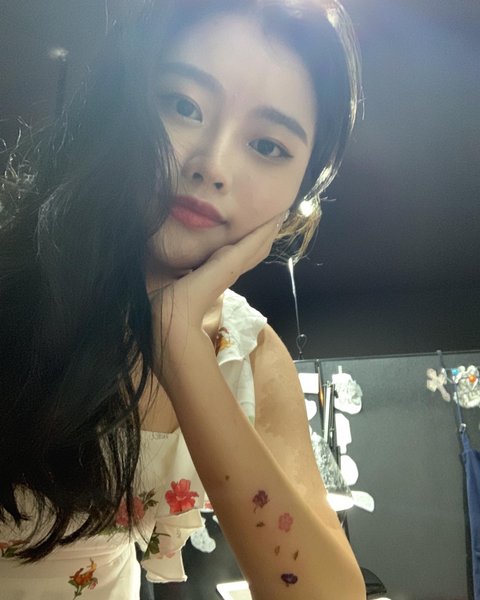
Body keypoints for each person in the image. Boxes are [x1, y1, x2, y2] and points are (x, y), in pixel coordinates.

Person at [0, 0, 365, 598]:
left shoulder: (246, 355)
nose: (211, 165)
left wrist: (179, 344)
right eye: (183, 105)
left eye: (267, 145)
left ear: (299, 193)